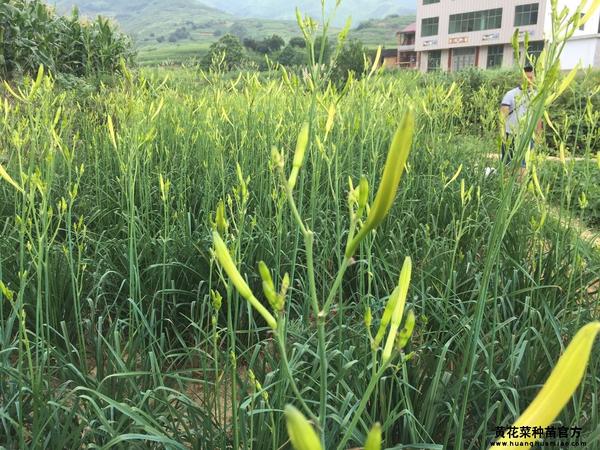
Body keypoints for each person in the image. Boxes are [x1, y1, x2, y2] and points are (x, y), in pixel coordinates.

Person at [499, 65, 543, 178]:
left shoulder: (537, 95)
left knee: (524, 164)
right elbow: (502, 116)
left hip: (527, 136)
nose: (528, 80)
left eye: (531, 77)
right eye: (526, 77)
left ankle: (519, 192)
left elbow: (538, 117)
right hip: (510, 135)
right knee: (507, 164)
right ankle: (506, 189)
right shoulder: (511, 94)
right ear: (521, 78)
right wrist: (502, 134)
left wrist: (538, 135)